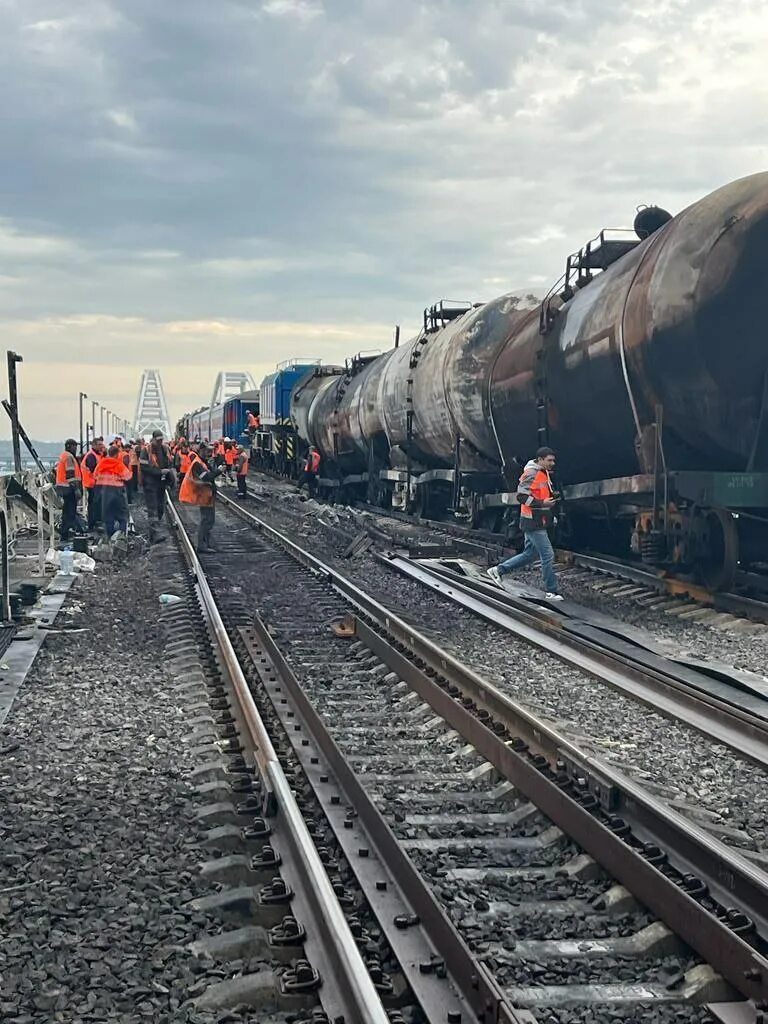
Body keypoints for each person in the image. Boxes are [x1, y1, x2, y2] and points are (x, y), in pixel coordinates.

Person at [487, 446, 563, 600]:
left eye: (553, 460)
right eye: (549, 460)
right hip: (532, 522)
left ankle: (498, 570)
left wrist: (551, 507)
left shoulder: (543, 473)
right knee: (547, 554)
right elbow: (521, 497)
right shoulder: (531, 473)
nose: (552, 463)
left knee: (529, 554)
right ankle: (551, 591)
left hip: (539, 520)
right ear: (540, 460)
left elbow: (540, 494)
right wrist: (542, 504)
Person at [179, 442, 222, 552]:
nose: (209, 453)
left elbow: (210, 473)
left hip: (207, 494)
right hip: (204, 495)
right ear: (201, 450)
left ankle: (208, 543)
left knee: (209, 520)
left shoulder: (203, 462)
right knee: (206, 520)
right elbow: (206, 477)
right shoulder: (197, 463)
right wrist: (219, 471)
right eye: (207, 451)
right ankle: (202, 546)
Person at [139, 430, 175, 527]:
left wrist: (170, 479)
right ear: (153, 439)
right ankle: (154, 533)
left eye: (161, 440)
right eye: (158, 440)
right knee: (152, 507)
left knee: (160, 507)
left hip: (161, 483)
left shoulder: (164, 449)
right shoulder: (146, 450)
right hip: (150, 483)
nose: (160, 442)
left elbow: (169, 463)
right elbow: (144, 467)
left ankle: (157, 524)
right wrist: (159, 472)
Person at [95, 444, 131, 536]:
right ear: (117, 454)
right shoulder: (118, 464)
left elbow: (95, 475)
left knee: (108, 517)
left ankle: (110, 537)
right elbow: (128, 477)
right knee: (122, 516)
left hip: (105, 492)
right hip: (117, 492)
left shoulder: (101, 463)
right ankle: (121, 538)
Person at [55, 438, 85, 540]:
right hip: (68, 488)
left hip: (64, 488)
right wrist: (76, 489)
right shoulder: (68, 457)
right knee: (70, 511)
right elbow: (70, 474)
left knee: (67, 511)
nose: (76, 448)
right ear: (69, 446)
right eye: (74, 446)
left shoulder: (65, 456)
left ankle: (66, 532)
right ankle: (67, 532)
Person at [81, 438, 105, 532]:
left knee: (96, 504)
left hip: (95, 483)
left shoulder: (97, 455)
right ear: (94, 445)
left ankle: (95, 522)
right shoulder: (91, 456)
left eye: (101, 444)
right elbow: (93, 470)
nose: (101, 446)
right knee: (94, 505)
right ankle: (93, 524)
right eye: (99, 444)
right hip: (92, 484)